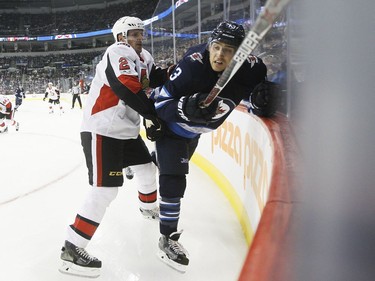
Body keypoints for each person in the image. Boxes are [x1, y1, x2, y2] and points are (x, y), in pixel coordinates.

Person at [151, 21, 279, 272]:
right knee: (174, 180)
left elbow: (255, 97)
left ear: (240, 54)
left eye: (228, 50)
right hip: (170, 130)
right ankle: (167, 237)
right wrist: (184, 107)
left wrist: (262, 102)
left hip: (194, 135)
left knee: (170, 165)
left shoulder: (252, 69)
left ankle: (153, 158)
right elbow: (160, 104)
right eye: (216, 47)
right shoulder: (192, 66)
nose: (219, 55)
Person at [59, 16, 170, 278]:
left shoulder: (144, 57)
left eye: (141, 33)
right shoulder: (117, 51)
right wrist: (152, 115)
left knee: (145, 170)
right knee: (105, 191)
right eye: (133, 34)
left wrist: (174, 72)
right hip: (103, 130)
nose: (139, 38)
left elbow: (151, 79)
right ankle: (72, 249)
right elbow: (126, 87)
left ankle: (147, 207)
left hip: (126, 131)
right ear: (121, 37)